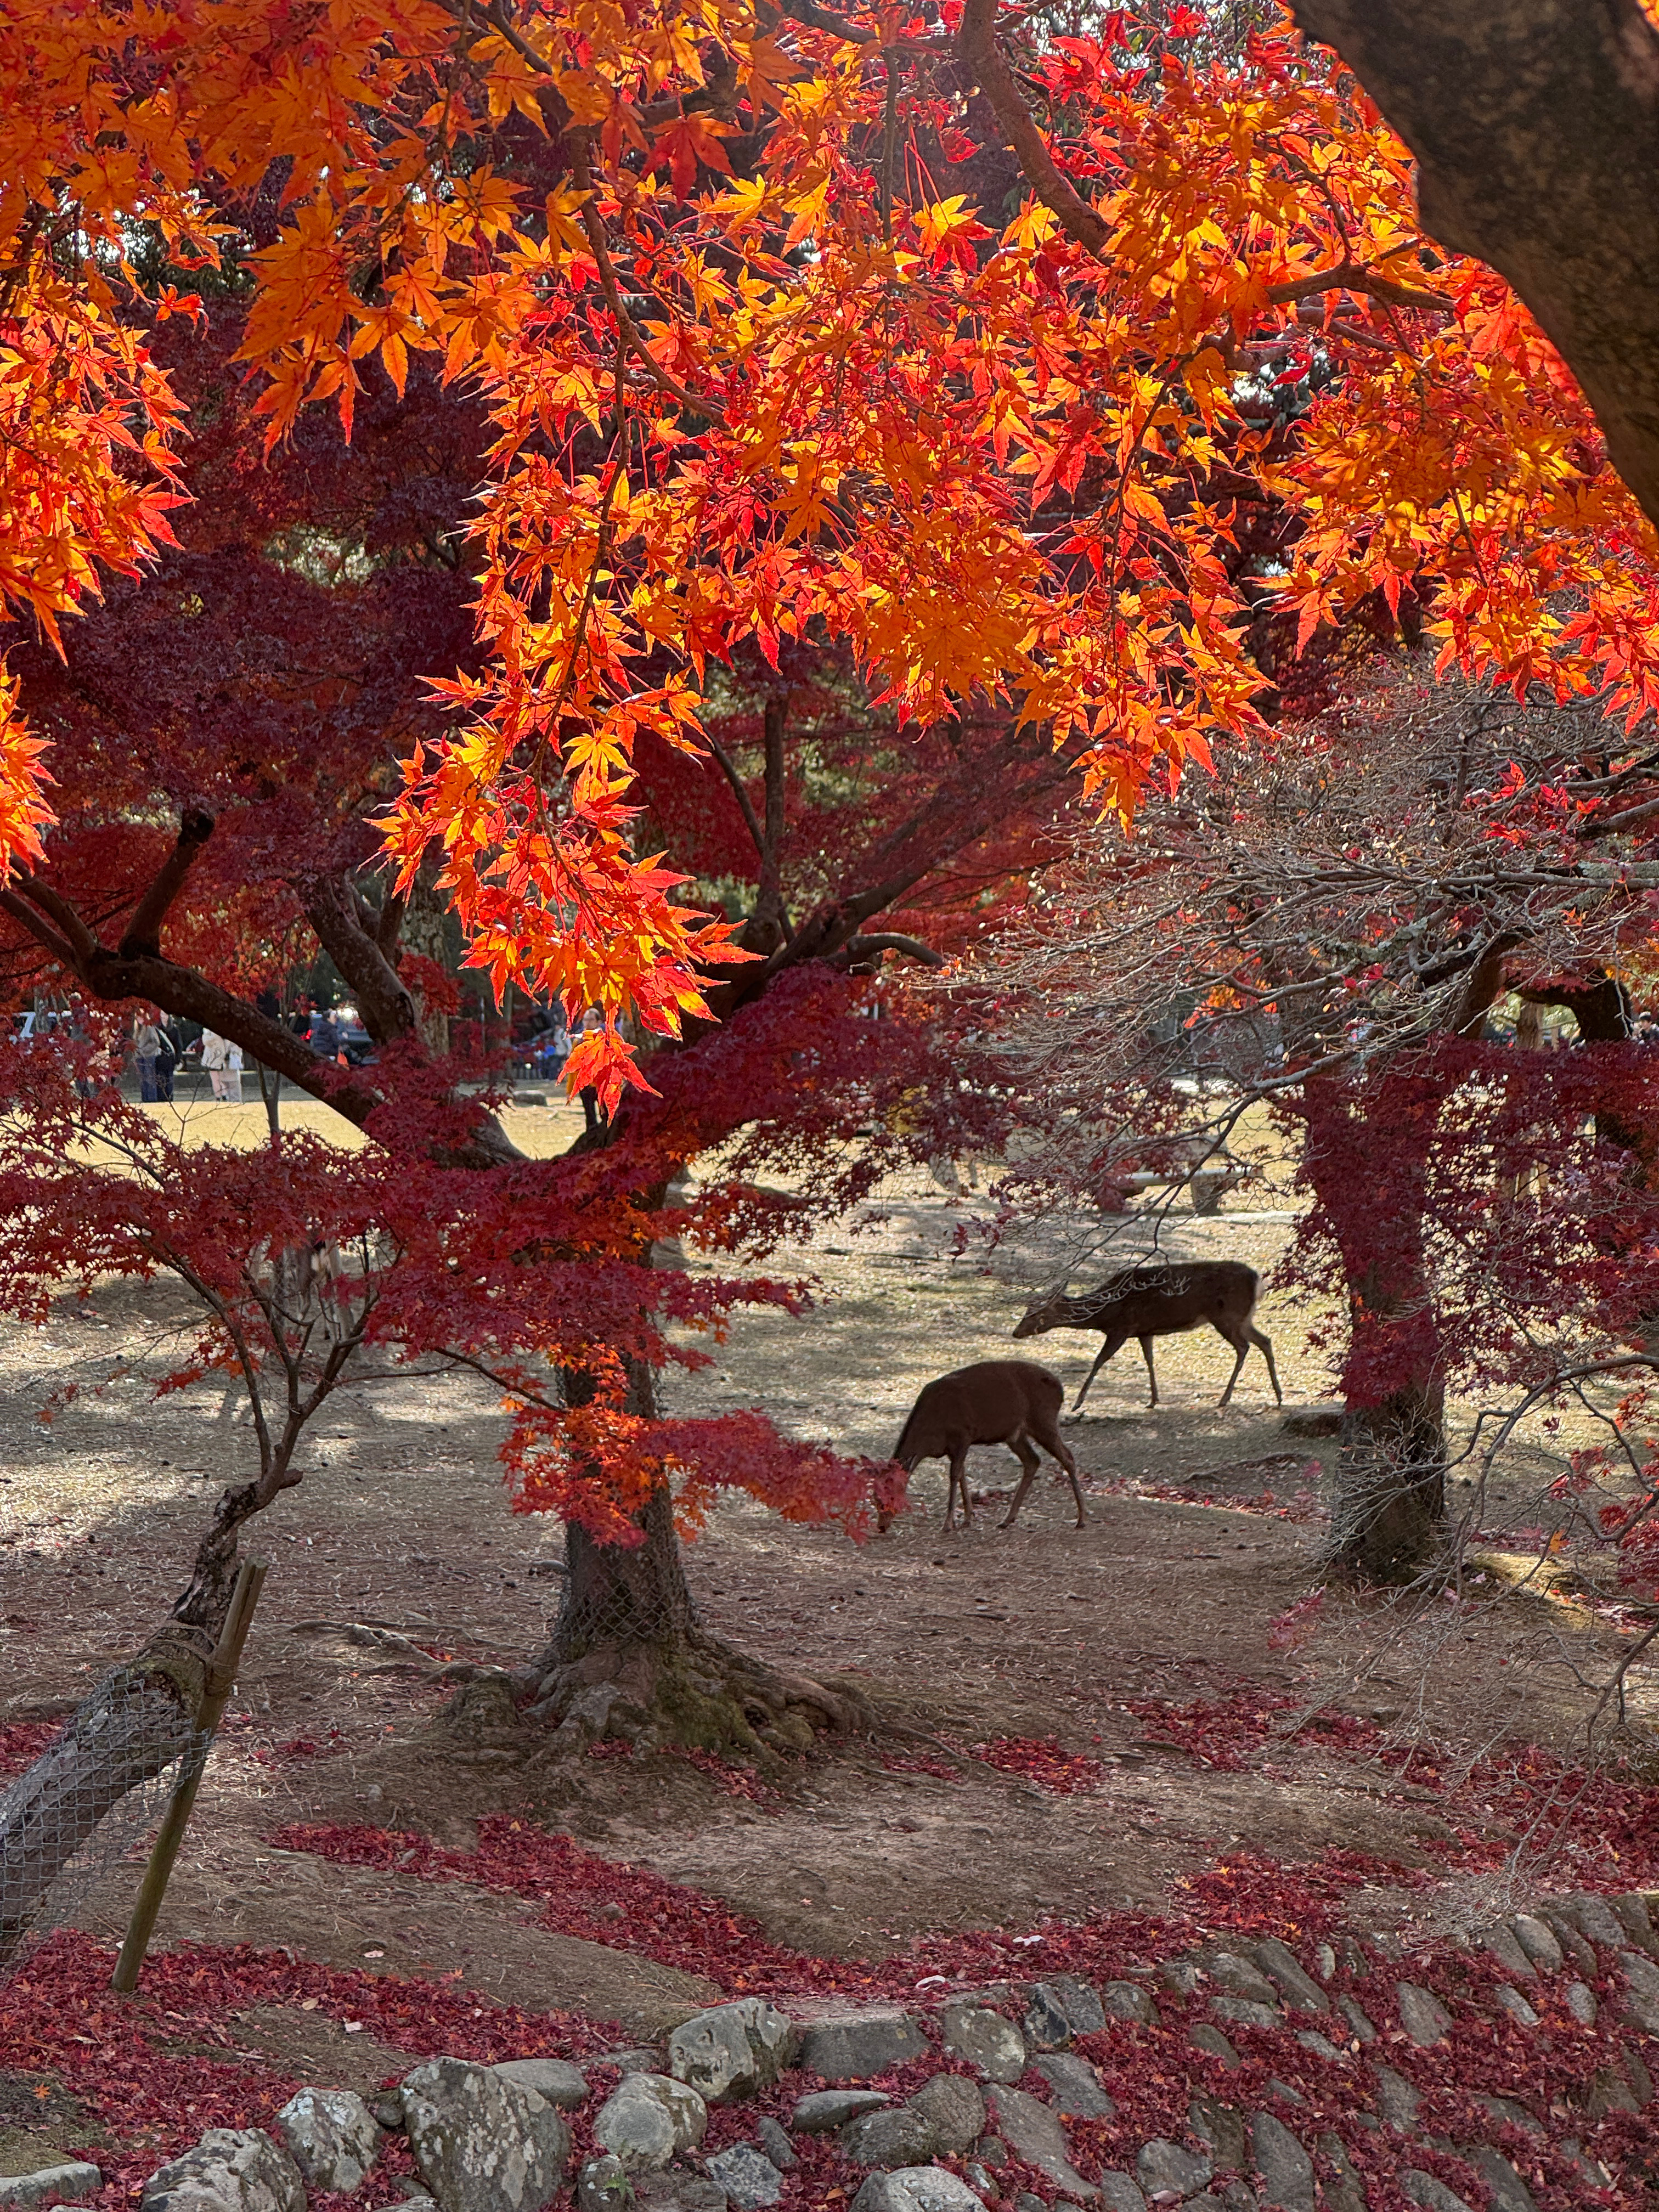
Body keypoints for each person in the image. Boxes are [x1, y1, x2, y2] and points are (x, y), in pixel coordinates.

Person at [577, 1005, 606, 1134]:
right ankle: (592, 1138)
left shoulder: (606, 1040)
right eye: (585, 1020)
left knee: (606, 1115)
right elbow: (574, 1068)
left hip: (603, 1084)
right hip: (586, 1085)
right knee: (590, 1117)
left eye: (591, 1020)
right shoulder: (579, 1041)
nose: (587, 1023)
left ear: (599, 1022)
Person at [200, 1029, 244, 1103]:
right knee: (219, 1081)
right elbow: (206, 1041)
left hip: (231, 1059)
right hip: (216, 1061)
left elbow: (238, 1044)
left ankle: (235, 1101)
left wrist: (234, 1054)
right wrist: (216, 1035)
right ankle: (221, 1099)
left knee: (233, 1081)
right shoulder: (209, 1031)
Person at [133, 1012, 164, 1103]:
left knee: (149, 1077)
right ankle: (145, 1098)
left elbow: (156, 1042)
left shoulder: (149, 1028)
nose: (140, 1019)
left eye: (141, 1017)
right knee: (142, 1078)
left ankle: (152, 1098)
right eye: (138, 1018)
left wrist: (145, 1050)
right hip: (139, 1057)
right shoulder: (137, 1030)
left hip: (149, 1056)